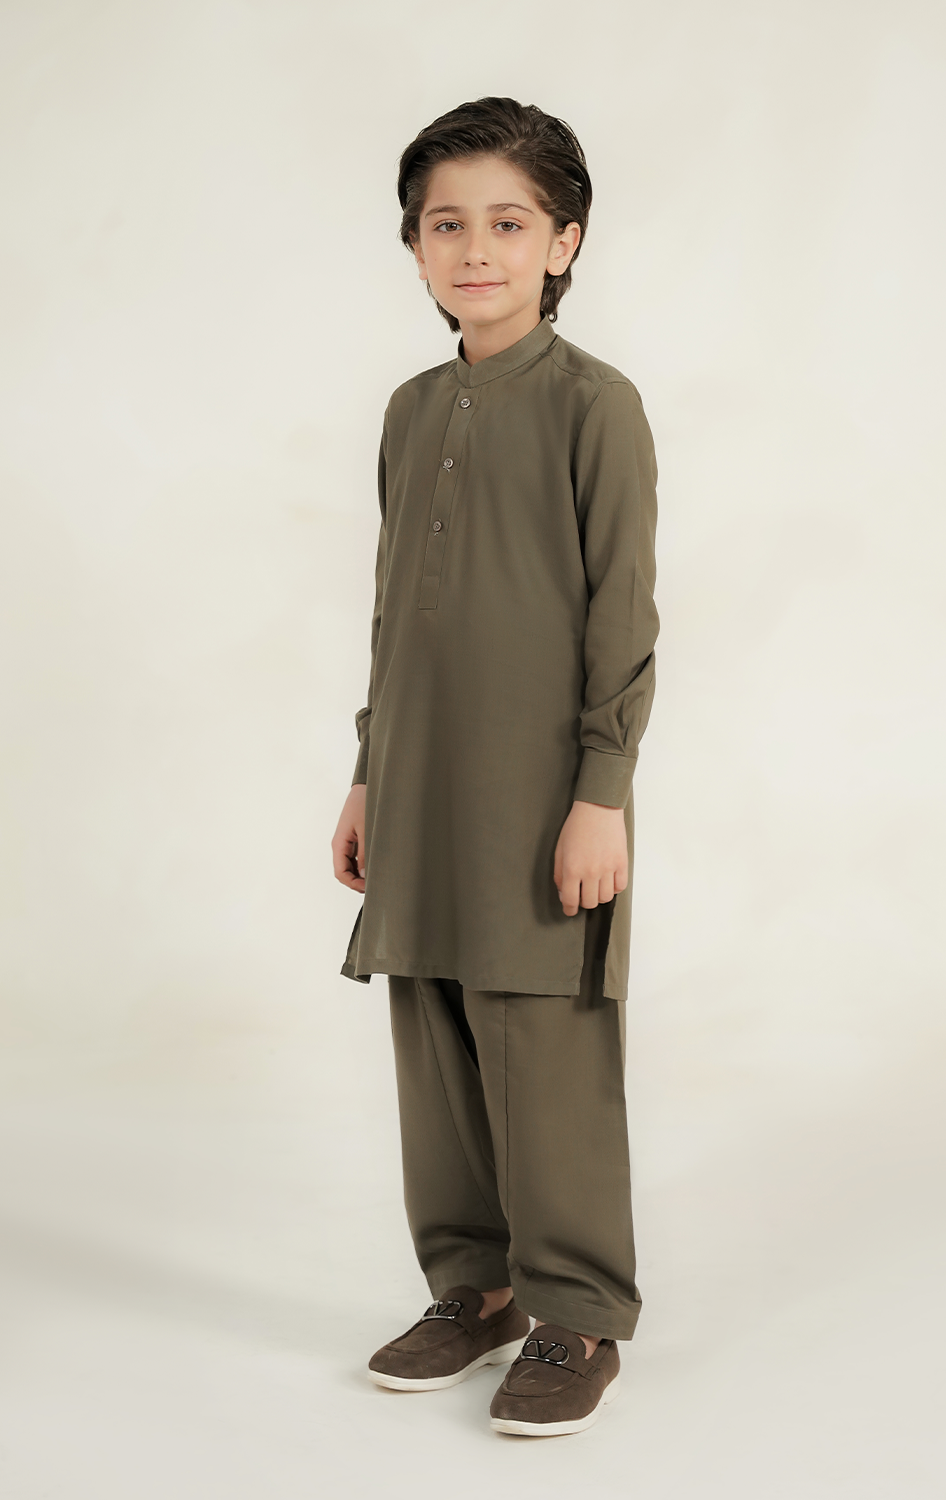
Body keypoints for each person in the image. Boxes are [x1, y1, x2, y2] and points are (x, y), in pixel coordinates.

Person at [332, 97, 658, 1438]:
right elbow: (393, 609)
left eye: (509, 223)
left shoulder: (595, 407)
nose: (476, 249)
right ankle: (474, 1289)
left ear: (563, 241)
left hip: (542, 790)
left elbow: (622, 615)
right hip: (418, 778)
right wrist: (369, 770)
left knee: (544, 1041)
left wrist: (601, 793)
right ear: (414, 245)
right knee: (436, 1029)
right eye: (447, 224)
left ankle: (577, 1314)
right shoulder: (412, 412)